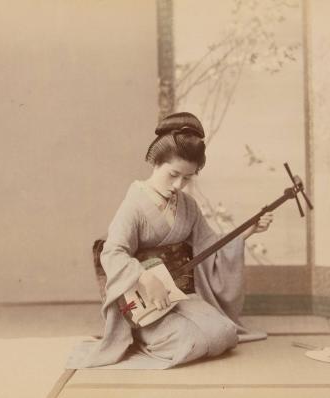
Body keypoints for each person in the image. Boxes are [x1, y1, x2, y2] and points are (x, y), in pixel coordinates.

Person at [66, 112, 273, 370]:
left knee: (225, 333)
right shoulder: (135, 205)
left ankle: (168, 335)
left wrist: (246, 232)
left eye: (187, 178)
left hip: (179, 294)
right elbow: (112, 252)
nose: (178, 184)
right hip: (147, 301)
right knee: (190, 342)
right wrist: (145, 277)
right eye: (173, 174)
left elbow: (209, 246)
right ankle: (137, 337)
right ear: (156, 162)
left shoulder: (187, 205)